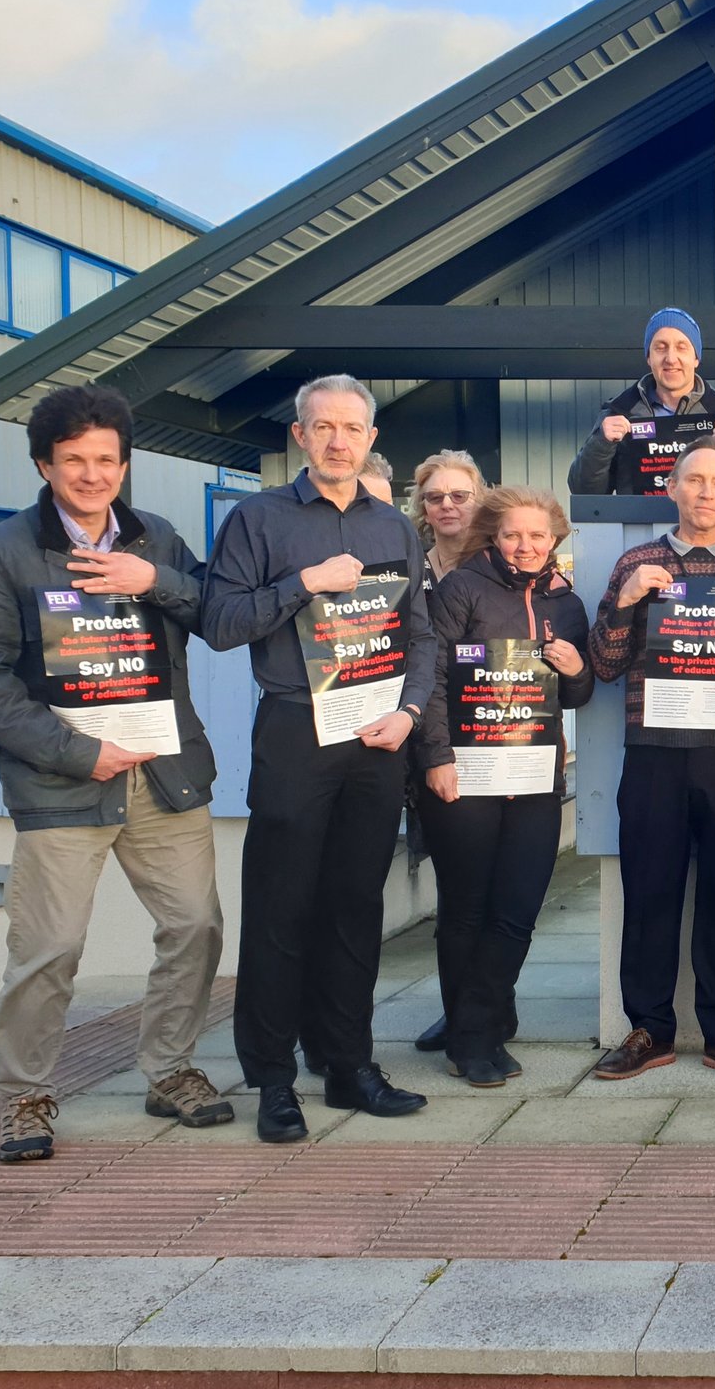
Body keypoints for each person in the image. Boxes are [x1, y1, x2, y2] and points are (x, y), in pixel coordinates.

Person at [0, 386, 230, 1162]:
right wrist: (78, 752)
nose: (92, 473)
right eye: (74, 460)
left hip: (164, 774)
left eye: (106, 459)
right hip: (64, 781)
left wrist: (152, 581)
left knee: (196, 927)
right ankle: (24, 1098)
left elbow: (214, 612)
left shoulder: (160, 538)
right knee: (50, 946)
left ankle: (169, 1069)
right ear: (45, 464)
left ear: (124, 463)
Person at [202, 373, 435, 1142]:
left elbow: (422, 635)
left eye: (353, 428)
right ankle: (272, 1078)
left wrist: (407, 714)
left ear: (371, 440)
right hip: (297, 729)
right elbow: (220, 620)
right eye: (323, 426)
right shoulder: (258, 518)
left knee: (354, 909)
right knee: (280, 909)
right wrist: (302, 583)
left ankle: (348, 1064)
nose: (339, 440)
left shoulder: (395, 529)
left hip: (375, 735)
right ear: (299, 436)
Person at [587, 441, 715, 1082]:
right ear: (670, 486)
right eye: (692, 479)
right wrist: (627, 601)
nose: (704, 492)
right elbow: (606, 665)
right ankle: (649, 1030)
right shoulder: (637, 560)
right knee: (648, 892)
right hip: (654, 754)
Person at [415, 487, 593, 1087]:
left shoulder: (567, 605)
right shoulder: (461, 588)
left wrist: (576, 671)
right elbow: (431, 678)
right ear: (493, 535)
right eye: (514, 534)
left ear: (554, 542)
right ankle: (472, 1040)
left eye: (537, 536)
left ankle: (482, 1023)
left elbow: (578, 695)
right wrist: (436, 758)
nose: (526, 545)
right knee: (466, 910)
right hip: (465, 773)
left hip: (536, 778)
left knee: (516, 912)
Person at [398, 447, 492, 1058]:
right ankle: (458, 1010)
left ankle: (489, 1010)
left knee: (498, 892)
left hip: (500, 740)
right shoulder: (408, 567)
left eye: (461, 495)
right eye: (436, 497)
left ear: (480, 498)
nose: (449, 506)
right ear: (422, 508)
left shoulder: (505, 561)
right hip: (427, 742)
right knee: (457, 891)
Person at [569, 308, 715, 493]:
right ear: (649, 357)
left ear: (696, 358)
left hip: (706, 522)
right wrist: (601, 443)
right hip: (638, 522)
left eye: (681, 347)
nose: (671, 359)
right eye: (660, 348)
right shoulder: (619, 413)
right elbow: (583, 490)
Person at [409, 450, 490, 586]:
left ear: (479, 505)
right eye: (435, 497)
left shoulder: (496, 567)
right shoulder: (413, 570)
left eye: (459, 496)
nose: (446, 505)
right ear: (425, 512)